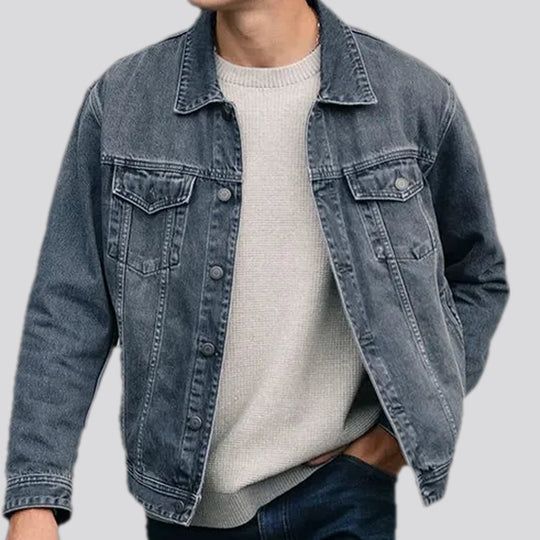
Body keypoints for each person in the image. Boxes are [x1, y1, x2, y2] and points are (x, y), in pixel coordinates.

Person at [3, 0, 509, 538]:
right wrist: (35, 502)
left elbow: (477, 277)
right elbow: (69, 309)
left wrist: (394, 436)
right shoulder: (126, 101)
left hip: (342, 496)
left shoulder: (411, 99)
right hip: (186, 507)